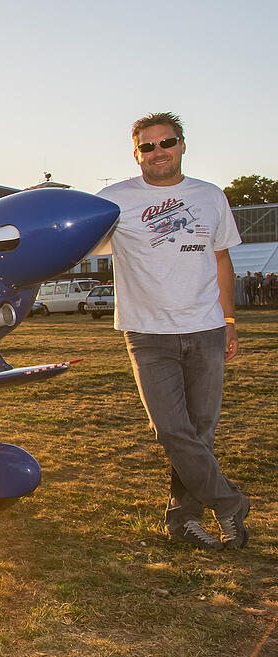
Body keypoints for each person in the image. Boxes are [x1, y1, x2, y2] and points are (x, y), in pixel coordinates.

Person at [95, 112, 250, 551]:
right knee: (171, 430)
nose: (158, 152)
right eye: (148, 146)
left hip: (206, 329)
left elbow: (221, 259)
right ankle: (229, 502)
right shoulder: (114, 200)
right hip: (147, 333)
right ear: (135, 152)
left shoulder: (209, 196)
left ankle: (183, 519)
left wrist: (230, 319)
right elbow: (73, 237)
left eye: (167, 143)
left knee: (199, 433)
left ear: (182, 145)